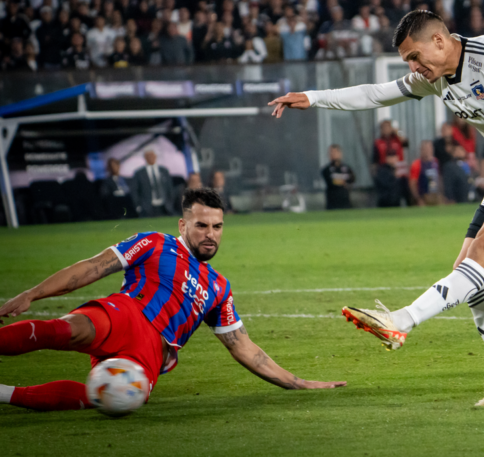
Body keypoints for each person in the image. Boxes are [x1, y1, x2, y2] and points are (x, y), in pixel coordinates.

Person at [269, 10, 484, 405]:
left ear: (439, 41)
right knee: (470, 272)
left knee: (479, 258)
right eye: (408, 60)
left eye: (414, 56)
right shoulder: (434, 78)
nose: (412, 67)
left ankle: (401, 320)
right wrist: (313, 98)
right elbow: (375, 93)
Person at [0, 188, 345, 412]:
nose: (210, 234)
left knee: (111, 398)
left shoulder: (219, 287)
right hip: (127, 314)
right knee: (65, 330)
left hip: (151, 352)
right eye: (201, 225)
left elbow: (244, 348)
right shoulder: (154, 243)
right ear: (182, 225)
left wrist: (299, 383)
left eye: (217, 227)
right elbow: (92, 268)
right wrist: (32, 294)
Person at [131, 150, 177, 218]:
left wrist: (170, 202)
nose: (151, 158)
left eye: (152, 156)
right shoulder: (139, 173)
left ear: (155, 156)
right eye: (148, 156)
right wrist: (138, 205)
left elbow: (169, 188)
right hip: (147, 207)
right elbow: (135, 190)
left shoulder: (164, 170)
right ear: (145, 158)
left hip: (164, 206)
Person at [321, 144, 356, 210]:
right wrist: (343, 182)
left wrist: (342, 182)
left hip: (345, 202)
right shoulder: (326, 170)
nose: (333, 154)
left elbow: (352, 179)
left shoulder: (347, 168)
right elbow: (331, 182)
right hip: (332, 204)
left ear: (340, 153)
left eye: (335, 152)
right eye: (331, 152)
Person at [409, 140, 441, 206]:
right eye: (425, 149)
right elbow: (412, 184)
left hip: (435, 196)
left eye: (429, 148)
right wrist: (418, 199)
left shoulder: (436, 162)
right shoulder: (416, 164)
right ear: (421, 150)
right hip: (423, 197)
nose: (427, 151)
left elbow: (439, 179)